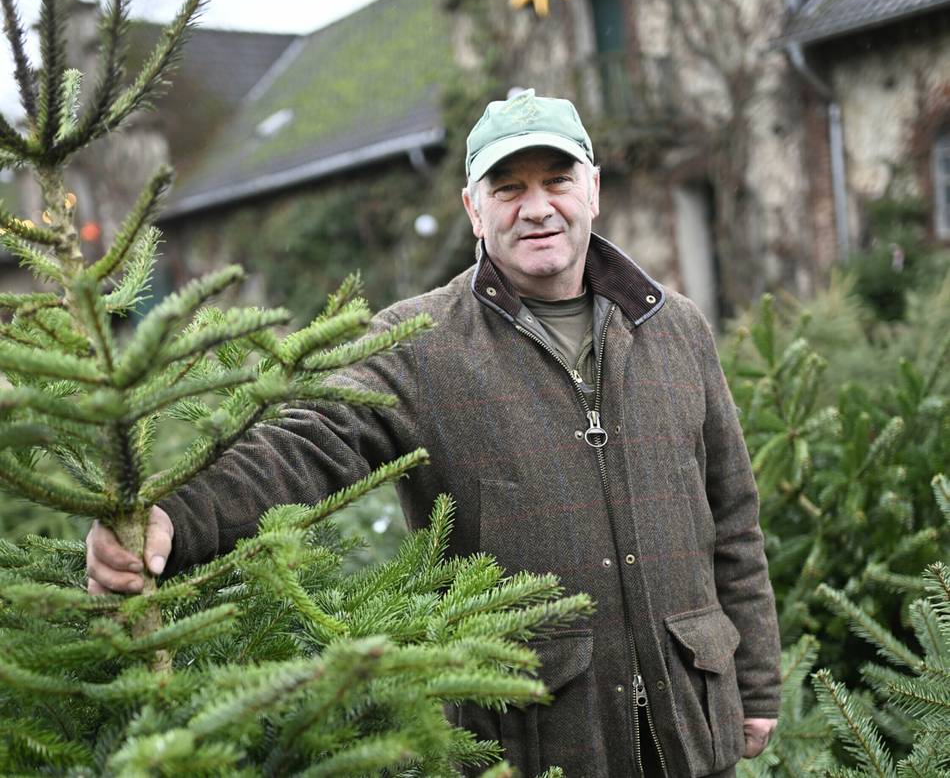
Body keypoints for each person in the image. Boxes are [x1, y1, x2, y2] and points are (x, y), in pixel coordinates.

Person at [87, 89, 780, 777]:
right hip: (534, 740)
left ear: (592, 190)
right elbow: (308, 438)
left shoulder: (675, 327)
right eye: (507, 188)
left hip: (691, 726)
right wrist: (175, 517)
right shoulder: (421, 343)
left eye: (557, 181)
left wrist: (755, 680)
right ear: (473, 210)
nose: (536, 207)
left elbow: (734, 517)